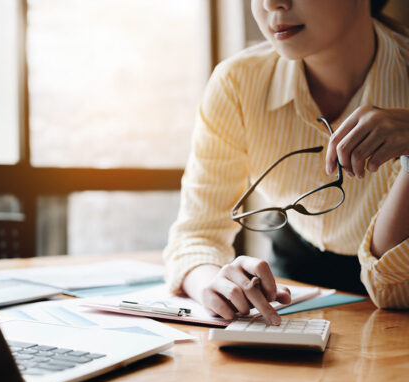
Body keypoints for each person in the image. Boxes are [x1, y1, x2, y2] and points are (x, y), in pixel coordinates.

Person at [163, 0, 409, 325]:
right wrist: (213, 283)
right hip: (287, 307)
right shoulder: (239, 83)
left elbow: (395, 291)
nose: (270, 3)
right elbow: (196, 236)